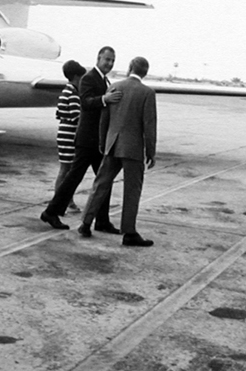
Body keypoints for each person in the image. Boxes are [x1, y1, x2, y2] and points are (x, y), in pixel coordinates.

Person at [40, 46, 122, 230]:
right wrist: (105, 99)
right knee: (75, 178)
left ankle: (101, 220)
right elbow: (85, 102)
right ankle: (51, 212)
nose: (109, 63)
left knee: (103, 179)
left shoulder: (103, 80)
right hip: (87, 141)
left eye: (112, 61)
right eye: (107, 59)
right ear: (98, 59)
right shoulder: (88, 78)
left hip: (96, 141)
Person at [77, 57, 158, 246]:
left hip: (112, 145)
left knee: (100, 185)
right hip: (133, 148)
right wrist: (151, 152)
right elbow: (149, 125)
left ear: (130, 68)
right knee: (132, 190)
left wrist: (102, 142)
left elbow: (104, 117)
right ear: (145, 72)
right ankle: (129, 232)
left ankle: (86, 222)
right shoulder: (147, 93)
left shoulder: (114, 87)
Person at [55, 60, 87, 212]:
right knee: (66, 170)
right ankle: (62, 201)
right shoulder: (73, 93)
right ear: (76, 77)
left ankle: (64, 200)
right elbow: (78, 117)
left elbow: (60, 113)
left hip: (64, 133)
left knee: (66, 169)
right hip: (69, 136)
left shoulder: (66, 91)